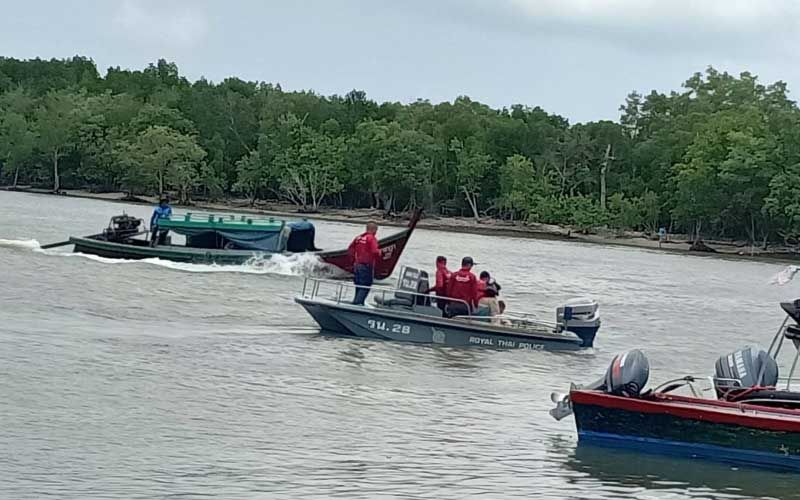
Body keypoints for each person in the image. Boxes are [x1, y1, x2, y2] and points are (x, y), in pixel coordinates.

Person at [348, 221, 381, 305]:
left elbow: (350, 248)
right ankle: (358, 304)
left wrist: (353, 260)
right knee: (365, 286)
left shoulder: (358, 238)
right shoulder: (371, 238)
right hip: (366, 266)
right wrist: (380, 253)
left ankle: (355, 301)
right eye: (376, 230)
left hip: (357, 265)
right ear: (374, 229)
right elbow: (375, 251)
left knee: (358, 285)